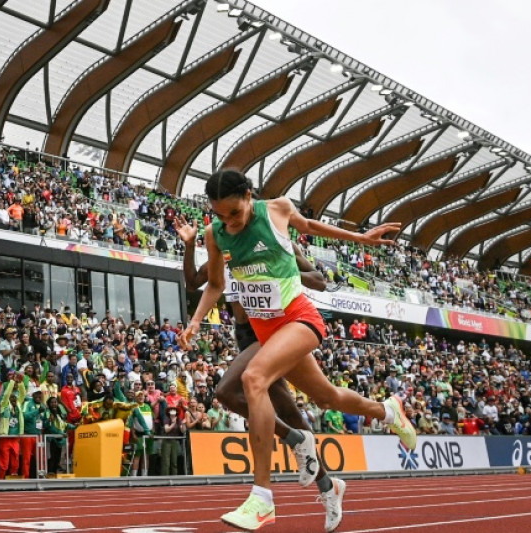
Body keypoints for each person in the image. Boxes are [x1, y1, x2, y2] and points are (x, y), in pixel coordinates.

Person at [179, 169, 415, 532]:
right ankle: (388, 411)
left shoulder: (277, 210)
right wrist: (195, 321)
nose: (229, 222)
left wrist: (361, 238)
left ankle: (262, 498)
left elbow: (312, 227)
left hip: (299, 318)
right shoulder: (215, 234)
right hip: (266, 331)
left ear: (249, 195)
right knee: (327, 397)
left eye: (235, 214)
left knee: (253, 378)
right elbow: (213, 283)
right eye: (221, 215)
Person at [176, 214, 348, 532]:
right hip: (247, 336)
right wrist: (188, 246)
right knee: (290, 414)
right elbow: (191, 283)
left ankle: (300, 451)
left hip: (275, 332)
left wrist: (278, 264)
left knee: (228, 392)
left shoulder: (276, 243)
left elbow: (318, 280)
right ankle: (327, 485)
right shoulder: (224, 256)